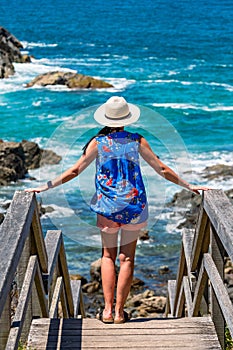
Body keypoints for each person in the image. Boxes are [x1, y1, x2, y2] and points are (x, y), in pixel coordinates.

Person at [25, 96, 210, 324]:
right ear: (126, 119)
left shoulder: (98, 142)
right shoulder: (137, 140)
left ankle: (107, 311)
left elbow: (75, 171)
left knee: (107, 256)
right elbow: (161, 168)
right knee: (127, 259)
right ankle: (121, 313)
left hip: (107, 207)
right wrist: (189, 186)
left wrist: (45, 186)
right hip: (134, 206)